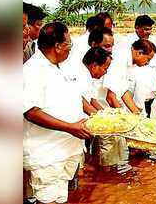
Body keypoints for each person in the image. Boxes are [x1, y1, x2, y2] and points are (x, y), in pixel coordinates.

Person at [23, 21, 94, 204]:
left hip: (69, 149)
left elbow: (77, 98)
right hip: (47, 151)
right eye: (68, 44)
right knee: (47, 199)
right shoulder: (33, 70)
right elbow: (31, 112)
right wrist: (70, 127)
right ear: (57, 46)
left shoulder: (63, 66)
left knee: (60, 198)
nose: (70, 49)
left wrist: (99, 117)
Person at [114, 15, 156, 116]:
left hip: (145, 91)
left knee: (144, 115)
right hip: (130, 90)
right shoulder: (125, 43)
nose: (148, 32)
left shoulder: (150, 44)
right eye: (146, 29)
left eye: (150, 29)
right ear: (137, 28)